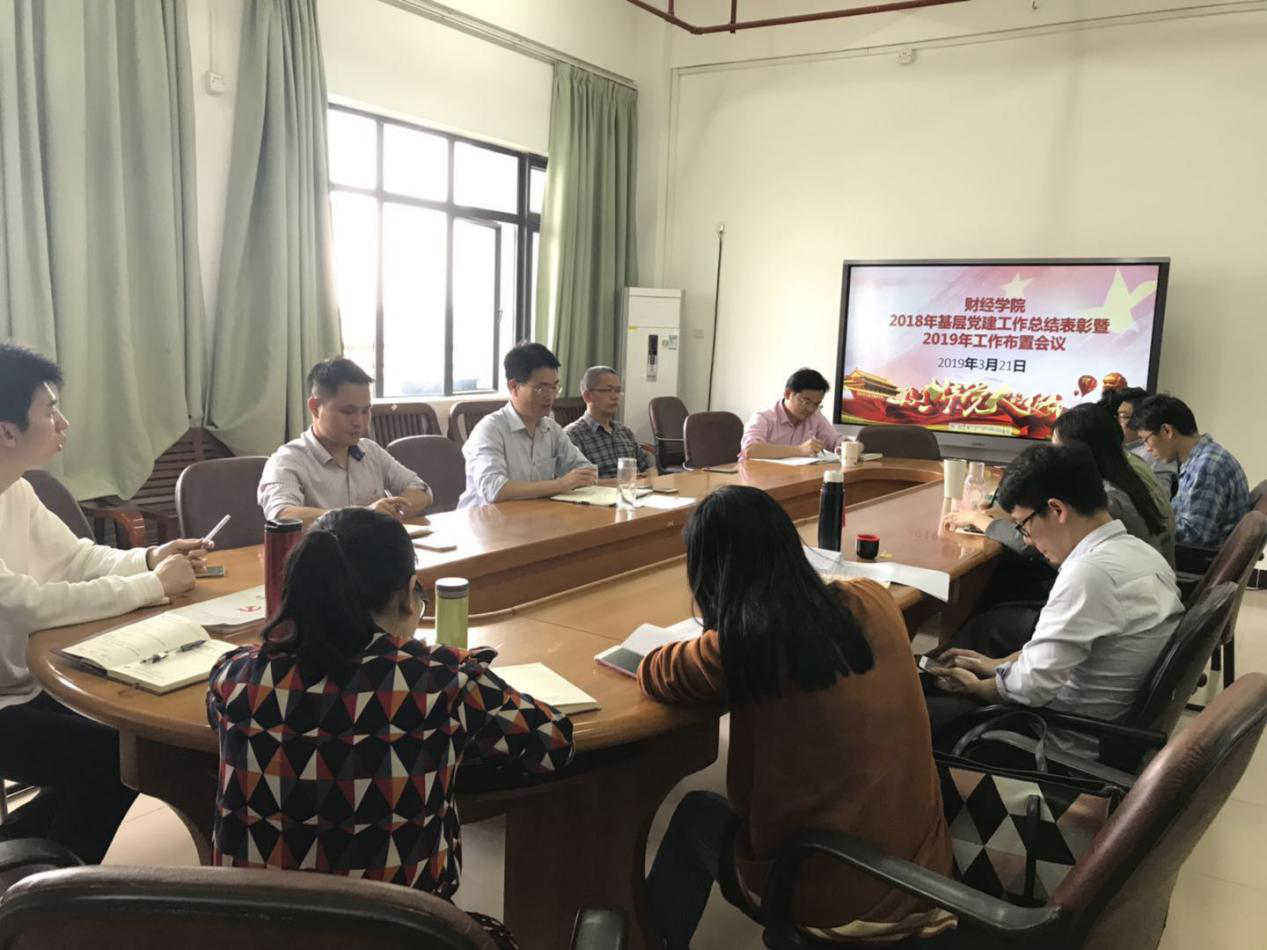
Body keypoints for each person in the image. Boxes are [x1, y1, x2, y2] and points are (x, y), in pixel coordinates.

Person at [207, 507, 575, 950]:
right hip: (403, 940)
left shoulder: (233, 675)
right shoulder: (442, 679)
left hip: (254, 938)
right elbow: (554, 743)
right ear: (405, 595)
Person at [640, 486, 954, 947]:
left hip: (842, 901)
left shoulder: (744, 644)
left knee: (694, 816)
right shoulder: (872, 597)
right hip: (924, 874)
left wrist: (717, 628)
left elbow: (656, 671)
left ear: (709, 575)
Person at [0, 342, 209, 862]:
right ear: (7, 432)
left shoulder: (16, 488)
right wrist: (153, 586)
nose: (63, 423)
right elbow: (26, 604)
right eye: (49, 411)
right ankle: (52, 886)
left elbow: (77, 558)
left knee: (130, 747)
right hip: (4, 698)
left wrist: (150, 557)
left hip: (27, 682)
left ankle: (42, 869)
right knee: (117, 762)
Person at [927, 444, 1183, 752]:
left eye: (1023, 525)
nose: (1027, 541)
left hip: (1056, 738)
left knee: (915, 714)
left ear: (1057, 510)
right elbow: (1056, 655)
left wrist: (976, 687)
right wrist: (994, 666)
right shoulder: (1142, 554)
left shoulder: (1089, 575)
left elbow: (1029, 689)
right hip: (1103, 726)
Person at [945, 405, 1175, 564]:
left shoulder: (1109, 499)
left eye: (1057, 449)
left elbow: (1032, 545)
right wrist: (1017, 516)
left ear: (1081, 451)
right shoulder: (1125, 471)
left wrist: (977, 519)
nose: (1053, 456)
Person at [258, 358, 433, 526]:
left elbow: (421, 490)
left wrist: (390, 511)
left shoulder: (370, 451)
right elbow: (282, 515)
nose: (359, 422)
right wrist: (362, 516)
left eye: (365, 411)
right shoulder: (287, 460)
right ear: (315, 407)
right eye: (348, 412)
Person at [457, 342, 598, 508]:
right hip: (485, 520)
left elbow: (586, 471)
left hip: (533, 517)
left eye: (555, 387)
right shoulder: (490, 430)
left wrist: (583, 478)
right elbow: (495, 489)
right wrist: (561, 484)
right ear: (514, 387)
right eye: (542, 388)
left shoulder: (551, 429)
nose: (550, 396)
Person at [1130, 394, 1251, 549]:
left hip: (1199, 558)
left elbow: (1192, 536)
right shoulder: (1197, 460)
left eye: (1145, 439)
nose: (1147, 448)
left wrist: (1139, 531)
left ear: (1167, 431)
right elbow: (1176, 517)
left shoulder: (1207, 467)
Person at [563, 365, 655, 479]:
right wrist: (625, 482)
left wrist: (649, 476)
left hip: (634, 489)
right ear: (587, 396)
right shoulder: (572, 435)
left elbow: (649, 468)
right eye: (608, 390)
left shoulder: (625, 432)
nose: (615, 396)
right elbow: (575, 482)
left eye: (617, 391)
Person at [739, 368, 843, 460]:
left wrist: (848, 446)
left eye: (816, 404)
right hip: (758, 474)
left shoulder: (815, 417)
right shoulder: (763, 417)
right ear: (788, 394)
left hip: (795, 474)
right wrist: (799, 450)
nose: (811, 409)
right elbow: (750, 450)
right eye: (806, 402)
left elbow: (836, 440)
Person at [1100, 386, 1178, 497]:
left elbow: (1160, 501)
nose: (1116, 422)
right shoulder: (1120, 449)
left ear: (1141, 418)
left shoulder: (1155, 453)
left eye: (1122, 416)